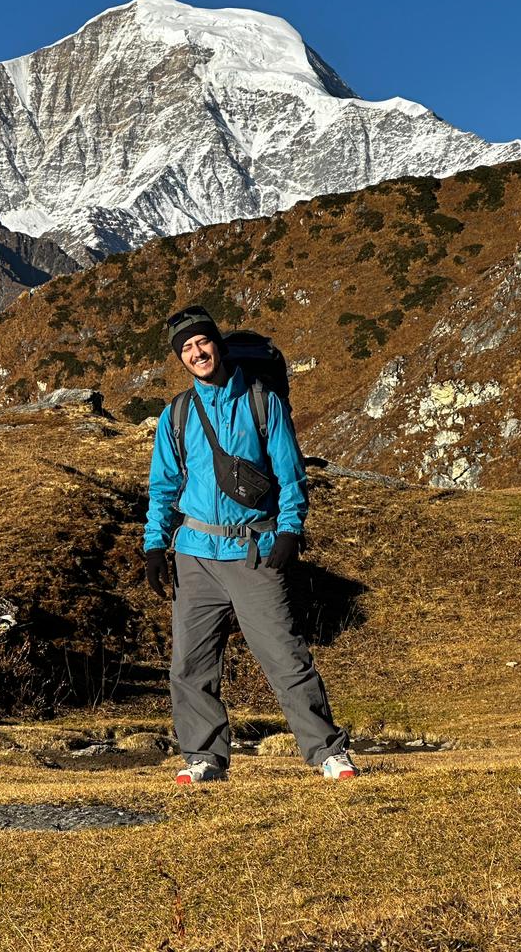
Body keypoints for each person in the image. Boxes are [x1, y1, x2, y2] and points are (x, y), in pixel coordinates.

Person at [144, 305, 359, 784]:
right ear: (180, 358)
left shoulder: (263, 403)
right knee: (190, 666)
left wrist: (289, 532)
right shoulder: (176, 414)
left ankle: (329, 752)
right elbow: (163, 488)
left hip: (253, 551)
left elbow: (291, 476)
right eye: (186, 348)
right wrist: (155, 548)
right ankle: (203, 759)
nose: (197, 353)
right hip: (194, 556)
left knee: (286, 657)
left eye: (202, 342)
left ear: (217, 344)